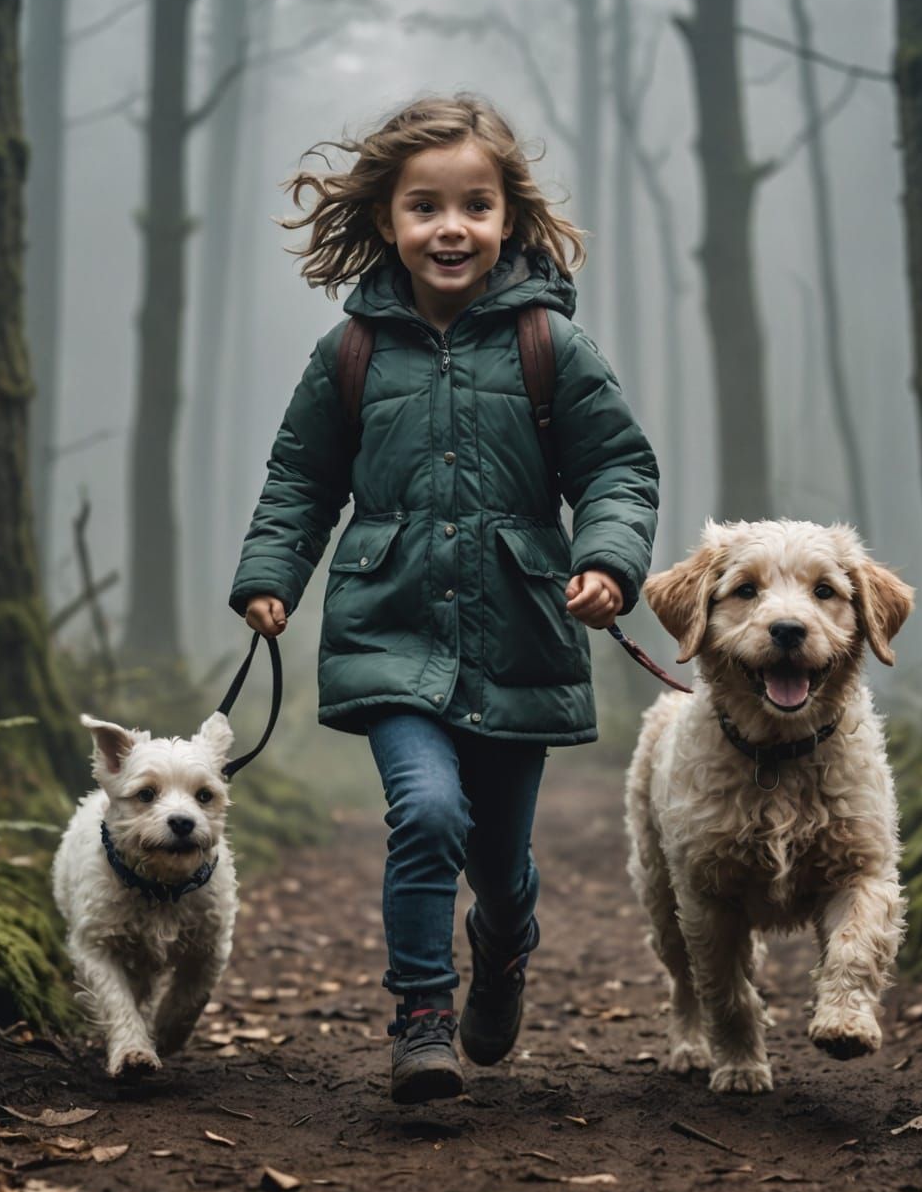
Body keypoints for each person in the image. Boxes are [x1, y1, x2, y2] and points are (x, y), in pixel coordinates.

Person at [229, 94, 658, 1104]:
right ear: (389, 221)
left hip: (519, 630)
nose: (450, 226)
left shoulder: (552, 344)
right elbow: (300, 480)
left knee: (500, 862)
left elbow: (618, 472)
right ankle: (420, 1014)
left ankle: (503, 942)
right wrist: (269, 577)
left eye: (475, 205)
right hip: (391, 629)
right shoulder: (349, 354)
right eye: (425, 207)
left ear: (509, 218)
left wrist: (606, 561)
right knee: (426, 814)